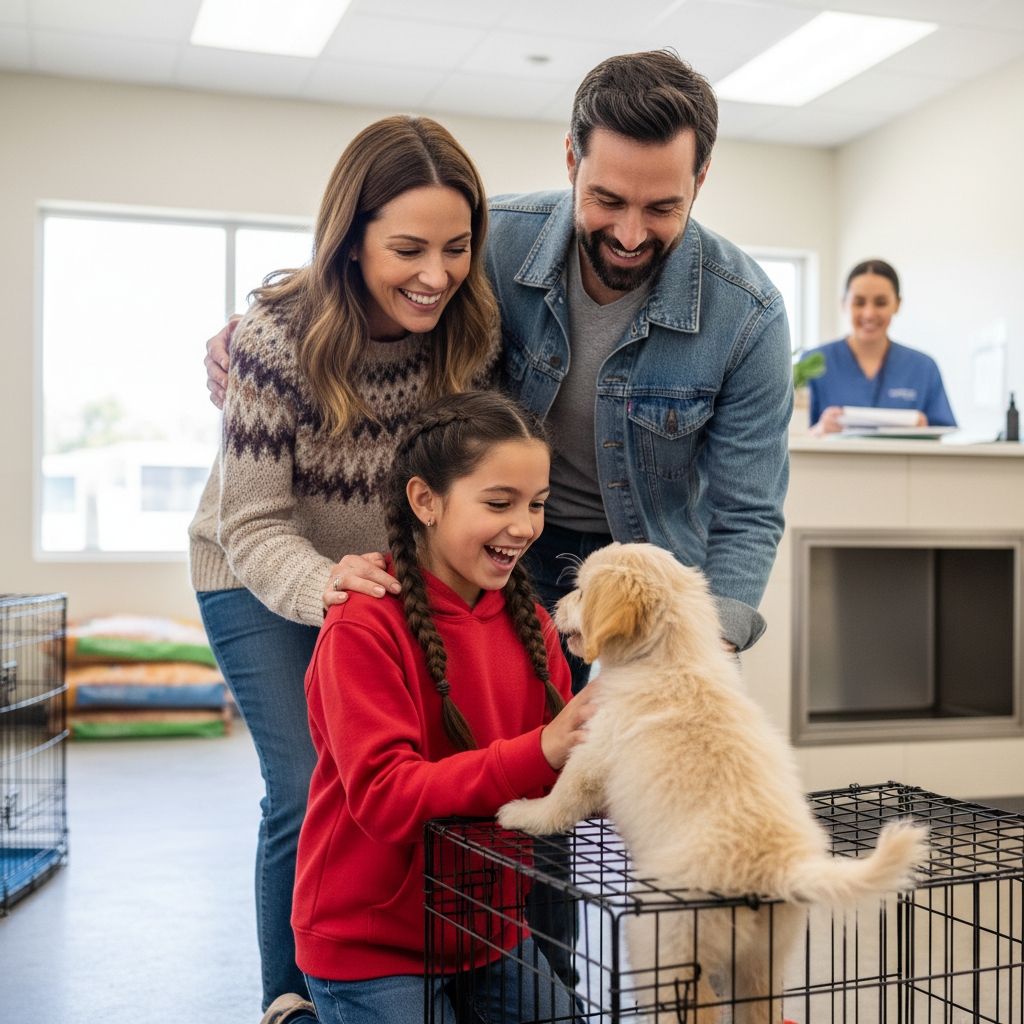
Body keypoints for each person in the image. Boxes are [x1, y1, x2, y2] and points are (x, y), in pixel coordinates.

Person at [207, 50, 794, 688]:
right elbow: (374, 268)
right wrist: (254, 329)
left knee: (638, 760)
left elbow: (747, 511)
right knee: (510, 749)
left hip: (647, 560)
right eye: (607, 199)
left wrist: (714, 645)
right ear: (572, 159)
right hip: (508, 544)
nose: (629, 234)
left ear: (699, 179)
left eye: (661, 208)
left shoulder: (747, 314)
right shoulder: (493, 247)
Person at [188, 114, 501, 1023]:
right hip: (253, 575)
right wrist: (324, 587)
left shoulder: (467, 334)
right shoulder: (275, 337)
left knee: (389, 783)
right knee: (303, 786)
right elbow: (251, 521)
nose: (435, 275)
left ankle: (391, 970)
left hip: (375, 584)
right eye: (408, 248)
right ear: (350, 239)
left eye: (456, 249)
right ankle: (287, 1004)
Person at [294, 391, 593, 1024]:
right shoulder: (362, 625)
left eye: (537, 505)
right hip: (371, 939)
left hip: (488, 923)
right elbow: (384, 796)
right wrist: (542, 750)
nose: (525, 526)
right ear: (426, 501)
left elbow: (569, 775)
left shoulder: (532, 624)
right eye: (498, 503)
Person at [808, 259, 956, 435]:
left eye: (881, 303)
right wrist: (819, 430)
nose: (869, 314)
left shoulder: (924, 367)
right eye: (859, 302)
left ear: (897, 304)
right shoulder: (812, 364)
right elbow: (787, 438)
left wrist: (926, 431)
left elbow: (944, 435)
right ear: (844, 304)